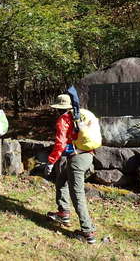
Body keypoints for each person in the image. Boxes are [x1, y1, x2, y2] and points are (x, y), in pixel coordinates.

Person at [45, 94, 97, 244]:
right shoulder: (83, 115)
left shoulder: (64, 119)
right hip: (87, 155)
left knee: (77, 194)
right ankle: (63, 212)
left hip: (77, 160)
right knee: (61, 180)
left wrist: (50, 162)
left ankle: (88, 232)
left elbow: (60, 143)